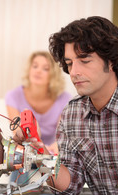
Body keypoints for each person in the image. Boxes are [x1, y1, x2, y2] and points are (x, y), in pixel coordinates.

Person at [15, 17, 118, 195]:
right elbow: (70, 186)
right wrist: (39, 151)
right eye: (70, 63)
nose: (73, 72)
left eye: (84, 60)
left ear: (110, 61)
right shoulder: (72, 113)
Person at [5, 51, 72, 184]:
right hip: (27, 150)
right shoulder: (13, 96)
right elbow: (18, 134)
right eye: (35, 66)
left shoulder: (65, 99)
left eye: (45, 68)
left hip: (52, 152)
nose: (38, 71)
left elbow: (62, 134)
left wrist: (53, 147)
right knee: (20, 156)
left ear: (52, 74)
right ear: (29, 69)